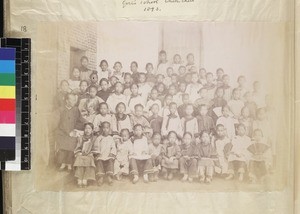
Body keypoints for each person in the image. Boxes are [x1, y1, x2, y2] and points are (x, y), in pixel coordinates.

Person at [56, 93, 87, 171]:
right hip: (62, 132)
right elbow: (59, 123)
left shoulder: (76, 109)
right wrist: (67, 132)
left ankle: (69, 164)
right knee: (63, 145)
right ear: (67, 101)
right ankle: (63, 163)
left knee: (72, 142)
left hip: (72, 131)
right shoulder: (61, 109)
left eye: (74, 100)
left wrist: (88, 124)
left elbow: (81, 119)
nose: (74, 101)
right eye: (72, 100)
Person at [93, 122, 116, 186]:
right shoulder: (99, 138)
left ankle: (109, 176)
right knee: (99, 161)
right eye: (104, 128)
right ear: (101, 129)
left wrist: (111, 153)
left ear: (109, 129)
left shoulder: (111, 138)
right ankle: (101, 177)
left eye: (107, 128)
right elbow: (96, 147)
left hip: (108, 155)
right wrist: (98, 153)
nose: (105, 129)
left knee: (110, 160)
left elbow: (113, 147)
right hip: (101, 155)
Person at [73, 123, 96, 188]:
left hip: (89, 154)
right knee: (79, 158)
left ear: (92, 130)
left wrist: (91, 153)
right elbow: (78, 147)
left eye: (89, 128)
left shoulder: (94, 138)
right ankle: (79, 178)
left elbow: (95, 148)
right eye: (86, 128)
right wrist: (79, 152)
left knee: (89, 159)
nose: (87, 130)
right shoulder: (81, 138)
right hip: (82, 154)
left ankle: (85, 178)